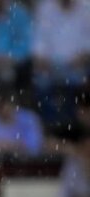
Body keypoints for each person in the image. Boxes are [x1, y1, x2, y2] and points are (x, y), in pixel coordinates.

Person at [31, 0, 90, 130]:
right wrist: (43, 61)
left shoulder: (87, 7)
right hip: (51, 66)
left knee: (77, 81)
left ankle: (74, 125)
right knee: (40, 82)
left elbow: (87, 43)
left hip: (80, 64)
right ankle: (52, 127)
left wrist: (82, 58)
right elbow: (39, 43)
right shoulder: (45, 8)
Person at [0, 91, 46, 155]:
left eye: (7, 106)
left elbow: (35, 145)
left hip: (25, 161)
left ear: (15, 105)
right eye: (0, 107)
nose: (4, 110)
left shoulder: (29, 119)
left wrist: (11, 146)